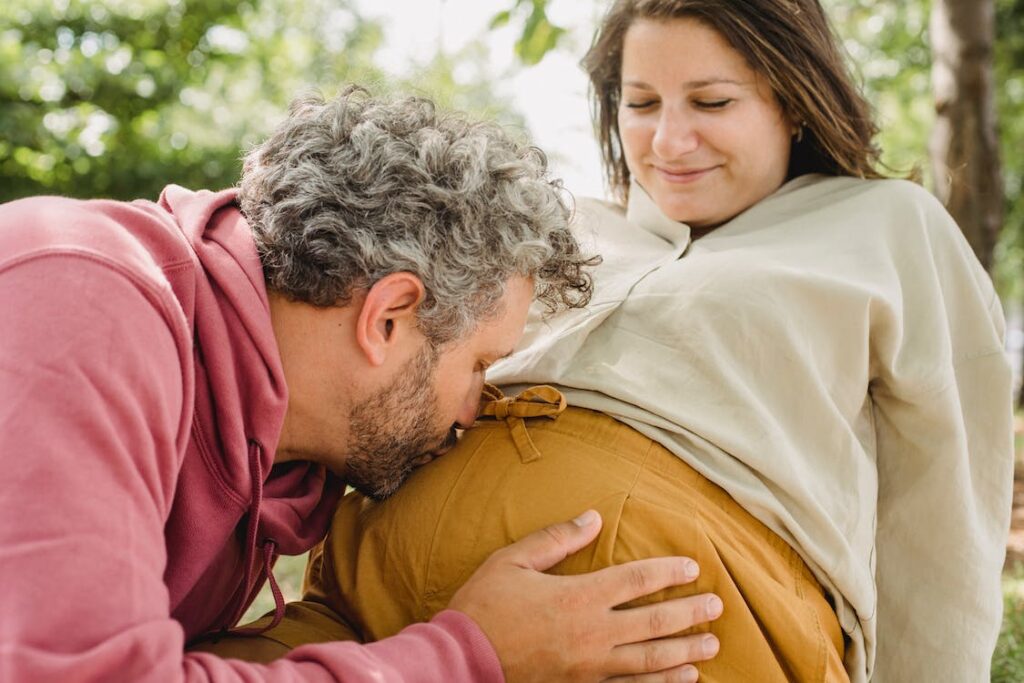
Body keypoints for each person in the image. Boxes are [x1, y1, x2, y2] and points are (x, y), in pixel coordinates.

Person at [195, 2, 1013, 681]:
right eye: (642, 103)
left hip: (653, 622)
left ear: (790, 101)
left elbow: (944, 493)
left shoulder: (884, 226)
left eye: (712, 103)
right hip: (372, 596)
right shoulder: (561, 228)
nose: (668, 141)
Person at [0, 86, 728, 682]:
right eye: (478, 365)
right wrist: (467, 657)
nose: (478, 408)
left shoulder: (285, 465)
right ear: (387, 317)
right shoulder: (80, 297)